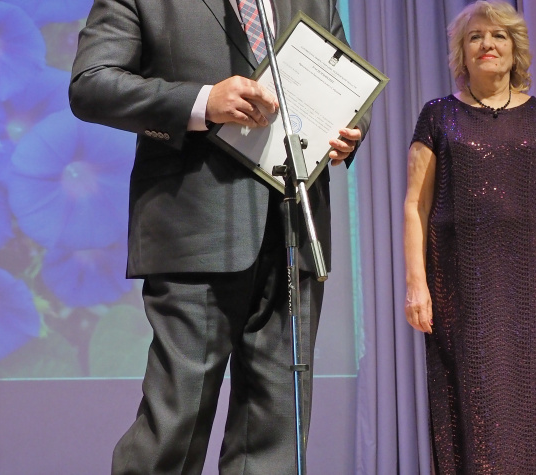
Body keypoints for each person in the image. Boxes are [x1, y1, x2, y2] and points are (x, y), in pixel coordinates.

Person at [69, 1, 369, 474]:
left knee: (275, 433)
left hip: (294, 226)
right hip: (195, 226)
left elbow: (346, 81)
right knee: (175, 425)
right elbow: (91, 84)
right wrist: (201, 101)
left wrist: (351, 128)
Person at [403, 1, 536, 473]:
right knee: (477, 403)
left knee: (532, 404)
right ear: (461, 53)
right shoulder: (437, 116)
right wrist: (416, 285)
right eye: (475, 37)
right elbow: (416, 206)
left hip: (534, 284)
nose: (487, 44)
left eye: (499, 35)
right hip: (461, 285)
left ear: (515, 49)